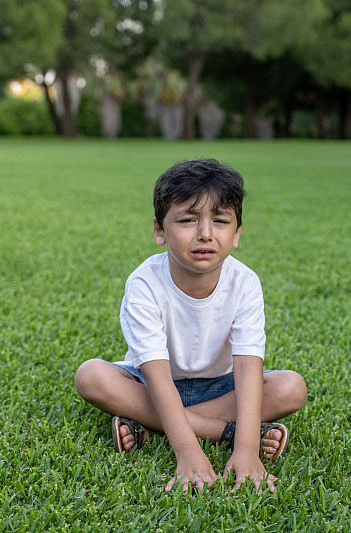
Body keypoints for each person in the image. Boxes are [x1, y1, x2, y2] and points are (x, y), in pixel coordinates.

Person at [74, 158, 307, 494]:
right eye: (187, 220)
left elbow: (247, 368)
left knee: (291, 387)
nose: (205, 233)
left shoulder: (245, 283)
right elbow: (155, 375)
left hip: (221, 387)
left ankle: (147, 425)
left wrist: (247, 453)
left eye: (221, 220)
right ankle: (223, 430)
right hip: (150, 385)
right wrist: (190, 452)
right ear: (159, 230)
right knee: (91, 376)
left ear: (237, 233)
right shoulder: (144, 284)